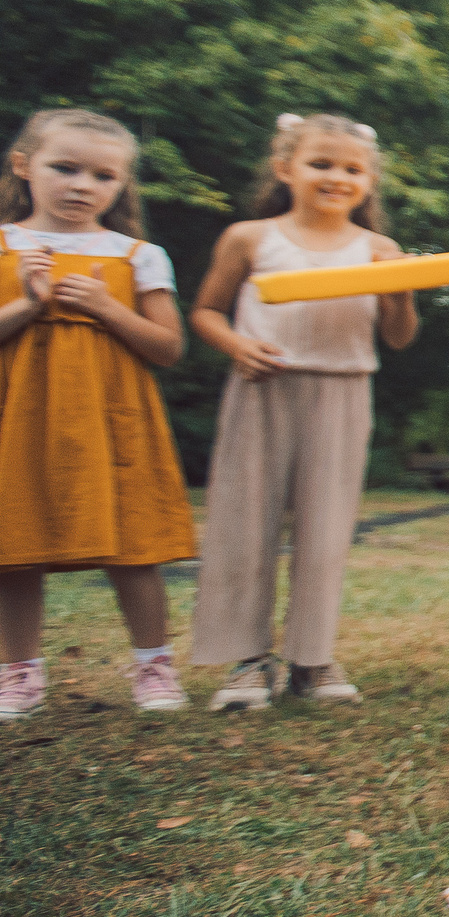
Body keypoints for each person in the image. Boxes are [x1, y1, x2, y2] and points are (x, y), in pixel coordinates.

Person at [190, 115, 419, 708]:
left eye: (352, 168)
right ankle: (245, 662)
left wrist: (400, 290)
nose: (336, 177)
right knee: (245, 522)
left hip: (343, 391)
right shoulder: (250, 238)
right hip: (263, 390)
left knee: (326, 528)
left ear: (368, 181)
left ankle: (313, 659)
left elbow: (398, 337)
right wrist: (237, 345)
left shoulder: (379, 249)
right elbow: (207, 312)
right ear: (285, 169)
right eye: (321, 163)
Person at [0, 110, 196, 717]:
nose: (83, 185)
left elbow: (167, 347)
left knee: (131, 543)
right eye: (65, 167)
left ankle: (154, 666)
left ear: (121, 186)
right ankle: (19, 672)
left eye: (104, 175)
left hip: (111, 419)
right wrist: (29, 306)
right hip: (19, 416)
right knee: (13, 544)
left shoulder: (139, 255)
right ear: (23, 166)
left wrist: (107, 307)